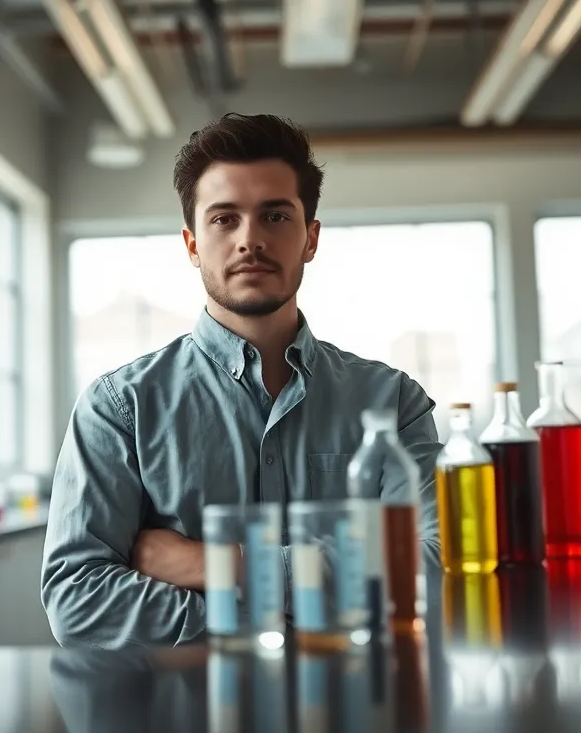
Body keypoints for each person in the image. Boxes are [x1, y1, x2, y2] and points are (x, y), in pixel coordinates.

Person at [41, 113, 443, 649]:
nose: (250, 240)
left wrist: (214, 565)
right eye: (224, 219)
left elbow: (436, 564)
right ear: (191, 245)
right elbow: (79, 599)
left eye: (275, 216)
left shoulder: (393, 403)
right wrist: (287, 612)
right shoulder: (119, 408)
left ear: (310, 238)